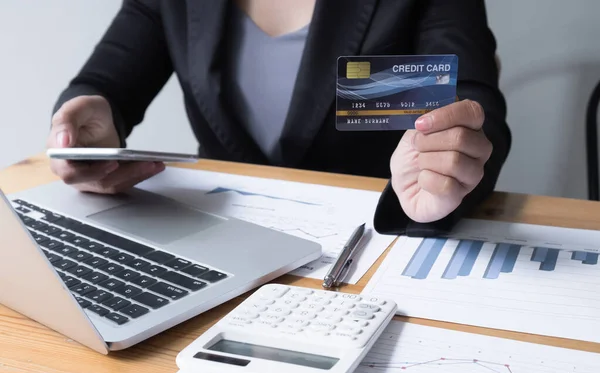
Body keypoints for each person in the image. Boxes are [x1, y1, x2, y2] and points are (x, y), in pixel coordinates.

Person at [47, 0, 510, 237]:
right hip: (220, 235)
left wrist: (443, 168)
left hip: (369, 237)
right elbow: (104, 85)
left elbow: (468, 102)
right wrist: (84, 122)